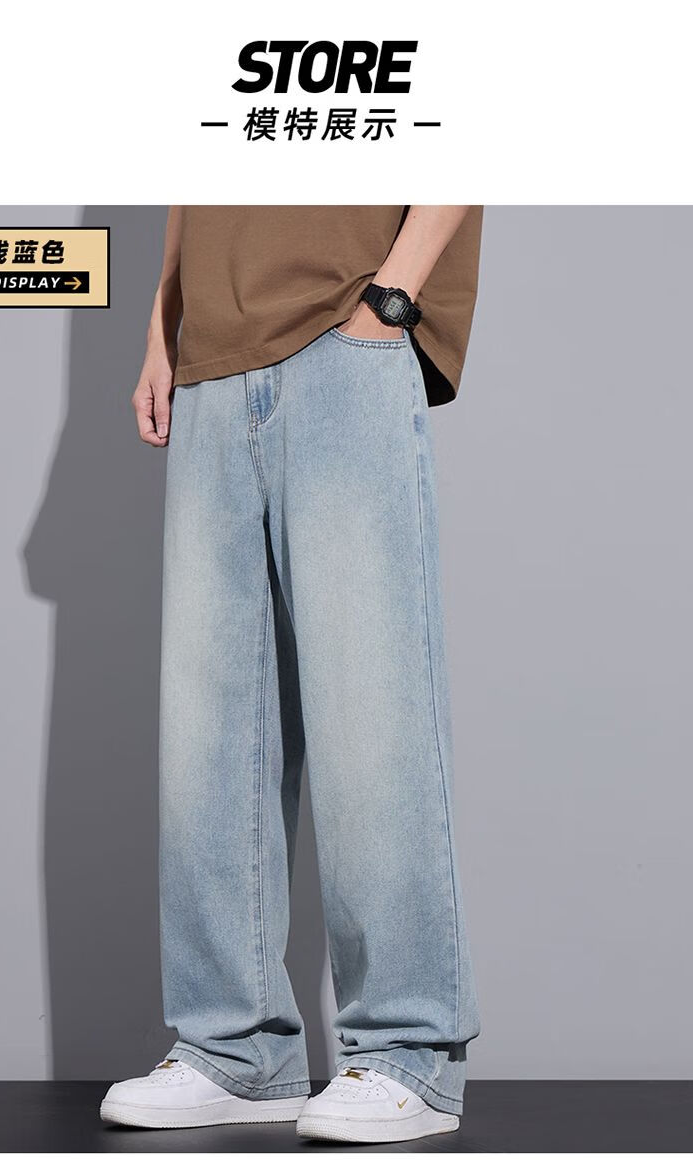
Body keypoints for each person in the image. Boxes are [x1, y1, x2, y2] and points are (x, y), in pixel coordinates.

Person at [100, 206, 483, 1144]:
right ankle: (234, 1049)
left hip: (346, 330)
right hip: (211, 351)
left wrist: (390, 301)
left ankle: (408, 1050)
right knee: (210, 729)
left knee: (370, 709)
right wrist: (163, 320)